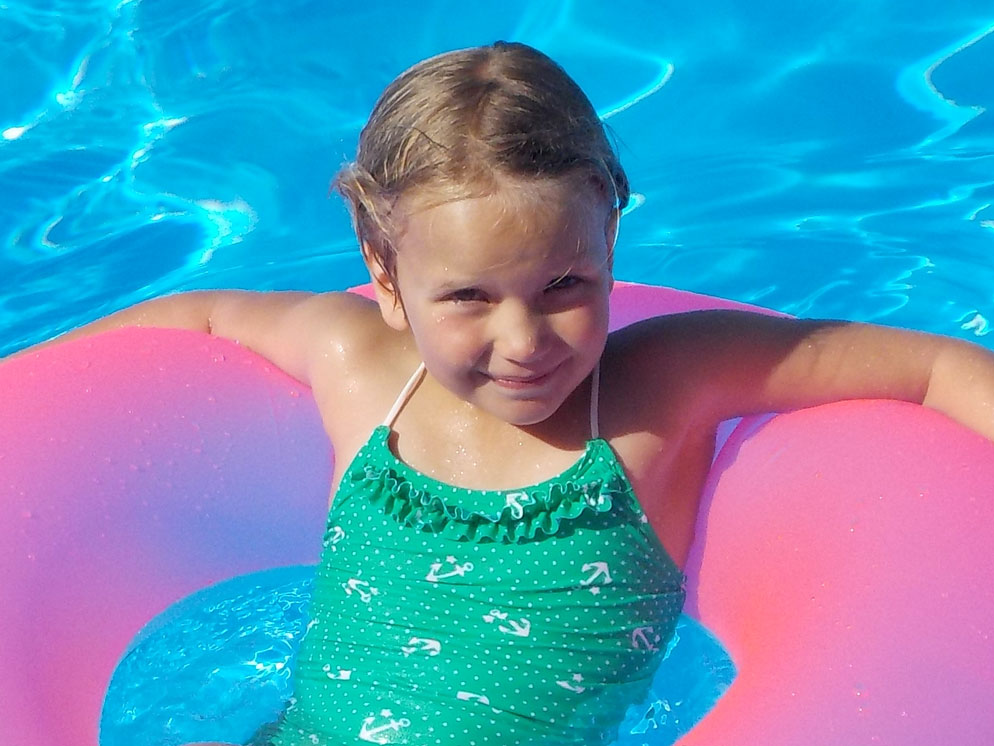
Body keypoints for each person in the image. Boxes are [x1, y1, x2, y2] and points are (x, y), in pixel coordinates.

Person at [16, 41, 994, 746]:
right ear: (386, 275)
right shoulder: (363, 368)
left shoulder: (662, 381)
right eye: (469, 297)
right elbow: (196, 317)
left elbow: (930, 366)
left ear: (610, 240)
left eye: (565, 286)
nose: (524, 340)